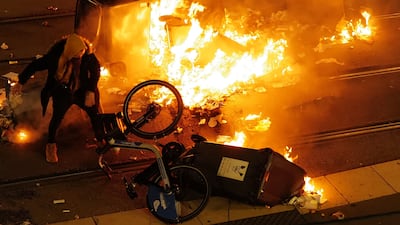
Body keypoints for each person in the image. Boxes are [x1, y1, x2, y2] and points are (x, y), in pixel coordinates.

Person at [18, 33, 104, 163]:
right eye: (78, 52)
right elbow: (35, 65)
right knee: (57, 118)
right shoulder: (55, 57)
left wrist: (91, 91)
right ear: (70, 52)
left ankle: (101, 139)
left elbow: (95, 71)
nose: (82, 53)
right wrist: (21, 81)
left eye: (82, 50)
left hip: (82, 90)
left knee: (94, 113)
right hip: (62, 91)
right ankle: (51, 146)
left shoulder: (88, 55)